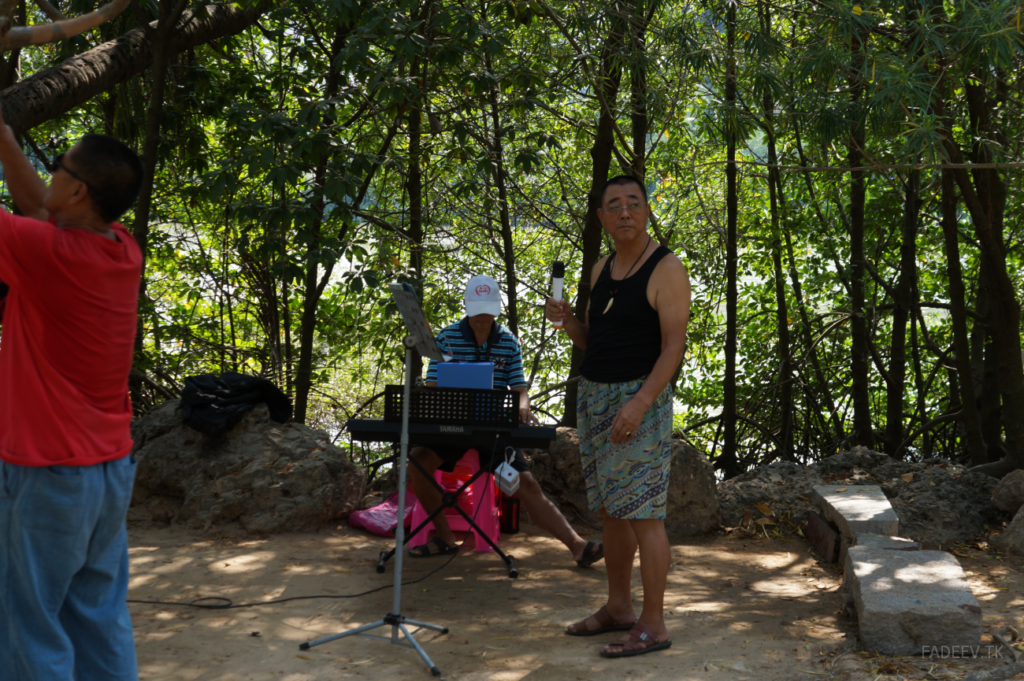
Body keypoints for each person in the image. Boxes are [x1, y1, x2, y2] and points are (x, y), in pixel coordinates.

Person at [0, 103, 145, 681]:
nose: (49, 172)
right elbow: (39, 205)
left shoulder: (48, 255)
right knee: (96, 615)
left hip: (49, 473)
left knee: (28, 623)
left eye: (57, 165)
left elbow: (35, 214)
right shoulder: (119, 248)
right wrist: (4, 135)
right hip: (107, 471)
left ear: (79, 191)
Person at [546, 175, 690, 658]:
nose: (625, 211)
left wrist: (641, 401)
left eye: (634, 203)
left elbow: (673, 346)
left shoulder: (666, 268)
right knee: (612, 510)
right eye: (615, 205)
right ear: (603, 218)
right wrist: (569, 323)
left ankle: (654, 624)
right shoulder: (601, 267)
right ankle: (619, 608)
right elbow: (596, 341)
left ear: (647, 211)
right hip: (596, 398)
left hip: (640, 401)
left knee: (645, 514)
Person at [407, 274, 604, 569]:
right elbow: (434, 386)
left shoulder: (509, 343)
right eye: (477, 312)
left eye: (488, 312)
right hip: (450, 427)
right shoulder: (447, 337)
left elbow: (519, 390)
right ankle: (445, 539)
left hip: (493, 431)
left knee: (525, 484)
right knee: (417, 462)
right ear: (467, 307)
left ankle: (578, 546)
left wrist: (523, 407)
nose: (482, 319)